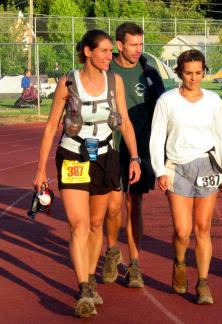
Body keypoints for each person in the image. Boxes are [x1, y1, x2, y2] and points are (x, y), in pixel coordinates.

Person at [33, 29, 141, 318]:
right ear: (88, 52)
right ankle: (83, 290)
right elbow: (50, 127)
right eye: (105, 51)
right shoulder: (68, 82)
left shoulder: (114, 81)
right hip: (73, 156)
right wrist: (40, 169)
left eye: (111, 51)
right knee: (79, 225)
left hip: (106, 157)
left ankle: (91, 278)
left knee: (96, 224)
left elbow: (126, 123)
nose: (110, 56)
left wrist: (134, 158)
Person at [150, 49, 222, 305]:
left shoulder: (214, 101)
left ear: (204, 72)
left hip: (208, 166)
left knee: (203, 228)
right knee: (182, 231)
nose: (194, 78)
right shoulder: (167, 100)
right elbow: (157, 137)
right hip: (177, 168)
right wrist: (160, 170)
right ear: (179, 73)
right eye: (188, 73)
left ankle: (204, 283)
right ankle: (180, 261)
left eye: (198, 73)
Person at [101, 22, 165, 288]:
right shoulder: (106, 70)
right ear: (119, 45)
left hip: (140, 149)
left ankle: (135, 264)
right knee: (113, 205)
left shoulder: (148, 73)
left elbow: (163, 111)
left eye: (141, 44)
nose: (139, 49)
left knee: (134, 205)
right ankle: (113, 251)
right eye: (133, 44)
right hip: (112, 148)